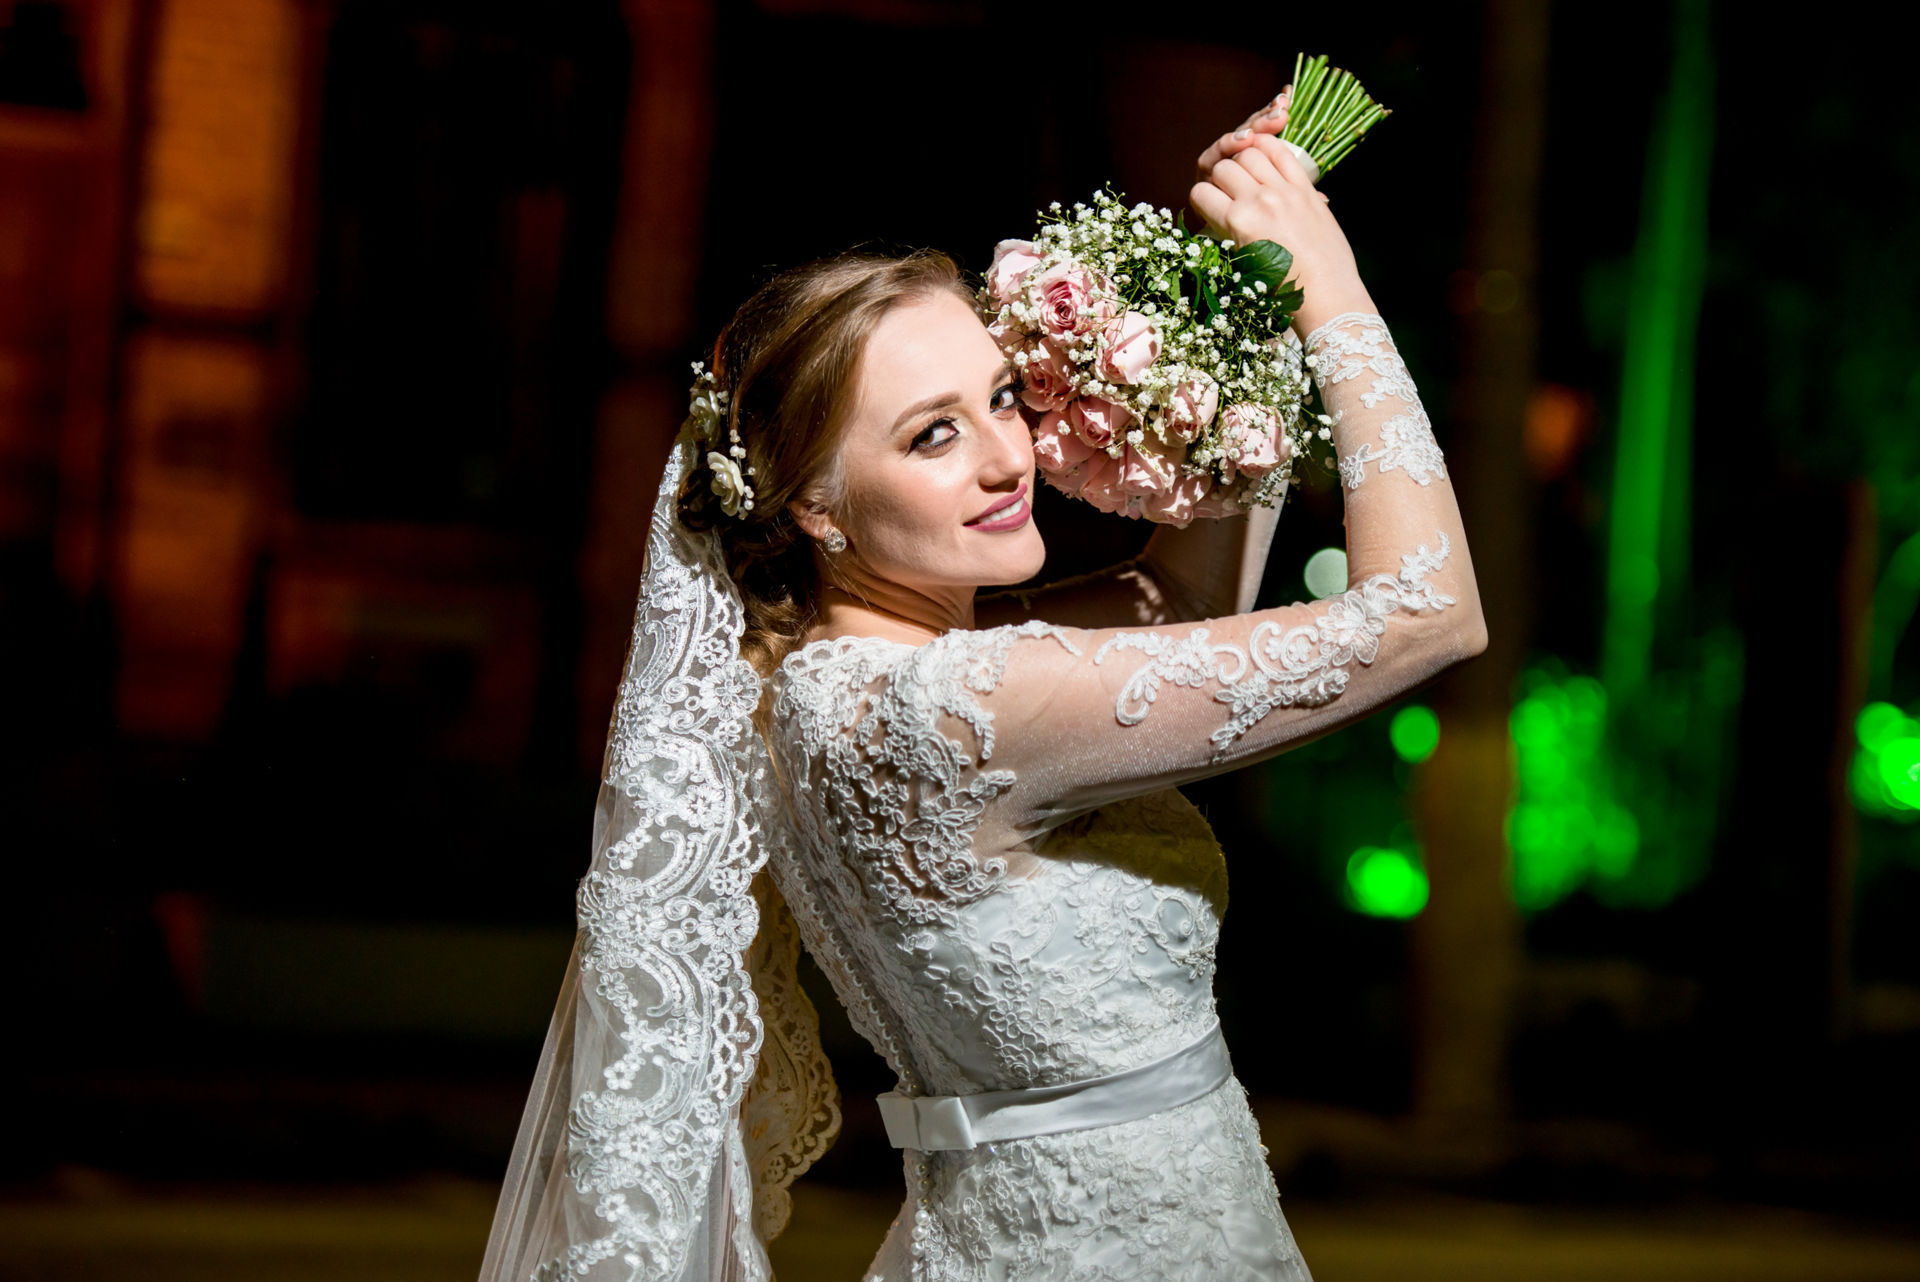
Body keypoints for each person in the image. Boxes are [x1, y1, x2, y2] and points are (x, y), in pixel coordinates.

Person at [480, 87, 1486, 1282]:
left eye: (1000, 398)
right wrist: (1333, 292)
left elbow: (1189, 602)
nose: (1009, 457)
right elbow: (1429, 614)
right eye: (931, 434)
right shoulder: (943, 713)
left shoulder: (858, 683)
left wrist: (1235, 302)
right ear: (810, 503)